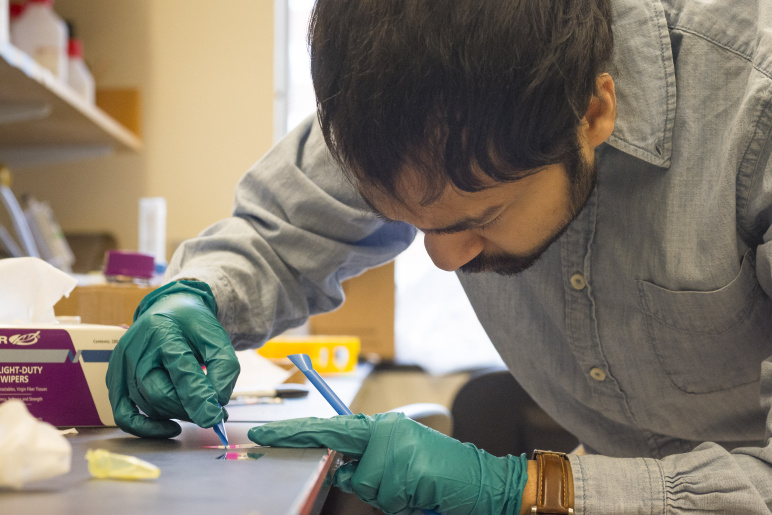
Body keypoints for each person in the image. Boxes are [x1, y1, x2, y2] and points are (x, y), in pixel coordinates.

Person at [105, 0, 772, 513]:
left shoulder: (754, 107)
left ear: (594, 110)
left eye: (480, 217)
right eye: (407, 216)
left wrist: (533, 487)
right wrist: (196, 297)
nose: (445, 258)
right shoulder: (405, 95)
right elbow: (276, 237)